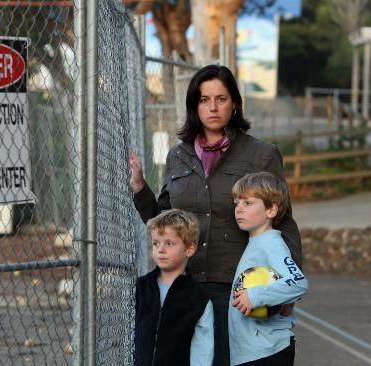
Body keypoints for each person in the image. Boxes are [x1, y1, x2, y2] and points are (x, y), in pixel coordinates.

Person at [129, 64, 303, 365]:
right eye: (204, 99)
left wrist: (287, 293)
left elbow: (284, 223)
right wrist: (140, 187)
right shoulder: (178, 155)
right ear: (194, 105)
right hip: (186, 286)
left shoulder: (261, 155)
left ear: (234, 103)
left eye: (221, 99)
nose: (213, 107)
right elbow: (167, 223)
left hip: (235, 287)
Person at [229, 172, 308, 366]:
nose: (239, 209)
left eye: (248, 203)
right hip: (251, 351)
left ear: (271, 209)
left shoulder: (271, 243)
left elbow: (298, 283)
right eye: (236, 203)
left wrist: (255, 296)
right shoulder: (256, 241)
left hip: (267, 351)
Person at [134, 209, 214, 366]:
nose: (160, 250)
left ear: (189, 249)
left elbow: (203, 351)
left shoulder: (199, 298)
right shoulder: (142, 287)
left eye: (169, 243)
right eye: (156, 243)